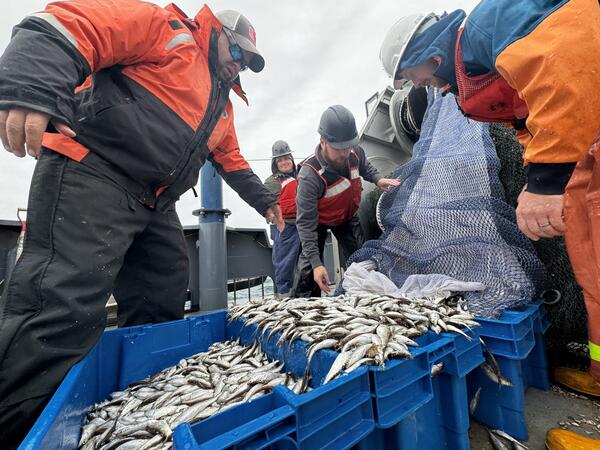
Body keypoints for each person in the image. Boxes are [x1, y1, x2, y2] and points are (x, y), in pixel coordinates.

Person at [0, 1, 283, 446]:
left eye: (247, 62)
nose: (239, 65)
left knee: (163, 292)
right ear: (217, 34)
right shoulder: (166, 28)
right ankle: (19, 431)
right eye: (238, 53)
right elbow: (75, 24)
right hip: (93, 170)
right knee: (59, 307)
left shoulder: (222, 107)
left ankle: (134, 407)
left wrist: (266, 202)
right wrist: (31, 82)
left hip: (154, 203)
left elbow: (231, 159)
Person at [380, 1, 600, 447]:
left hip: (583, 132)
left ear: (431, 56)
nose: (420, 86)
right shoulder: (467, 75)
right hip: (584, 149)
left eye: (414, 76)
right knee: (592, 268)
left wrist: (543, 179)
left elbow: (566, 64)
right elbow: (526, 121)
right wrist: (538, 179)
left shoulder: (486, 29)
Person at [293, 105, 401, 297]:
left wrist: (378, 179)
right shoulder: (309, 176)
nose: (344, 153)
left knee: (361, 259)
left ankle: (364, 297)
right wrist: (317, 264)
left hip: (346, 218)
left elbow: (365, 167)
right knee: (309, 272)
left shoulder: (355, 152)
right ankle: (304, 306)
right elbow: (305, 224)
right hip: (316, 223)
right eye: (338, 148)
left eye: (348, 146)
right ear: (323, 141)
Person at [263, 140, 301, 298]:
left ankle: (303, 297)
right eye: (280, 160)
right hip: (284, 230)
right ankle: (284, 298)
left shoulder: (301, 176)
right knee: (284, 265)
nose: (284, 162)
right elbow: (264, 202)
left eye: (286, 158)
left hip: (303, 227)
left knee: (305, 265)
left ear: (291, 159)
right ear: (275, 163)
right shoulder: (271, 182)